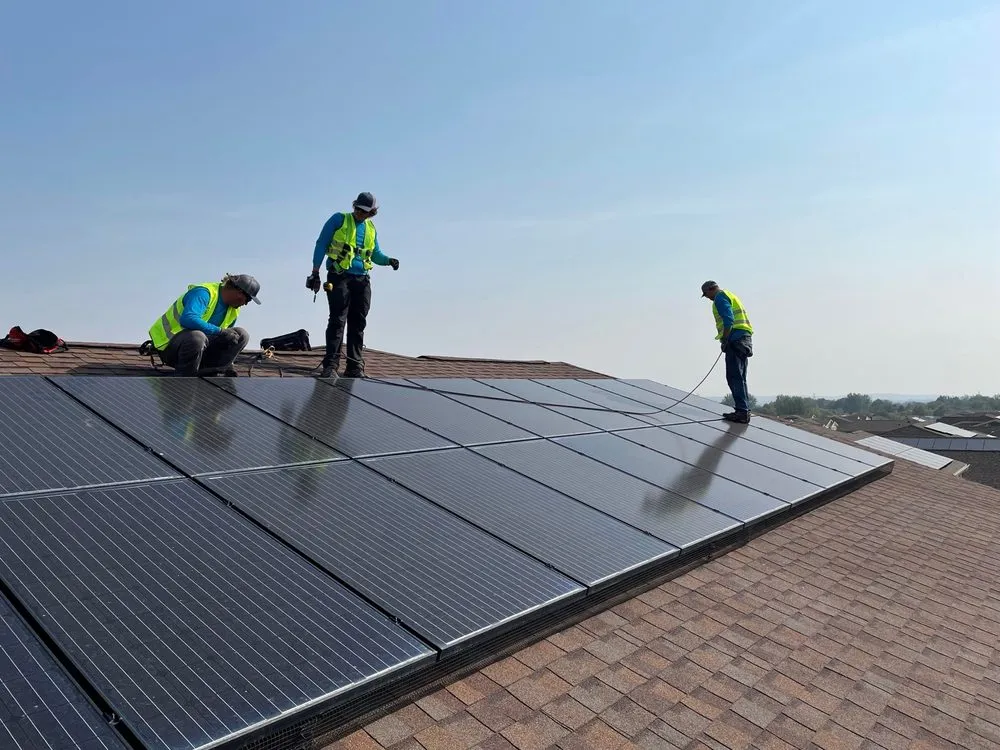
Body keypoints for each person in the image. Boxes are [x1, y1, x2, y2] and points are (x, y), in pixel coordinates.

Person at [308, 191, 399, 378]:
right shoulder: (339, 219)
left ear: (371, 212)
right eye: (358, 209)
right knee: (337, 319)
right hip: (339, 276)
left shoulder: (371, 228)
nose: (360, 213)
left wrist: (389, 260)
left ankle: (354, 366)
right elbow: (321, 244)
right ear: (354, 206)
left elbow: (375, 254)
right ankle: (331, 366)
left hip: (362, 280)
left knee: (358, 323)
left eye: (365, 211)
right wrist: (315, 272)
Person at [148, 273, 260, 376]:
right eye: (248, 299)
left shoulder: (233, 309)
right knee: (197, 337)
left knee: (241, 335)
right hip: (170, 348)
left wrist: (228, 362)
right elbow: (188, 319)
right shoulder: (204, 293)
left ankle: (215, 371)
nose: (245, 304)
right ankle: (186, 377)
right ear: (239, 292)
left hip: (199, 353)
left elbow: (225, 338)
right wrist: (220, 331)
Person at [701, 280, 754, 423]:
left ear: (711, 289)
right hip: (744, 338)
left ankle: (742, 412)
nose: (707, 298)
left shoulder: (719, 297)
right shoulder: (730, 294)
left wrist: (725, 340)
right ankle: (743, 410)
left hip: (735, 340)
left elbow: (728, 320)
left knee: (734, 377)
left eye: (706, 295)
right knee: (740, 377)